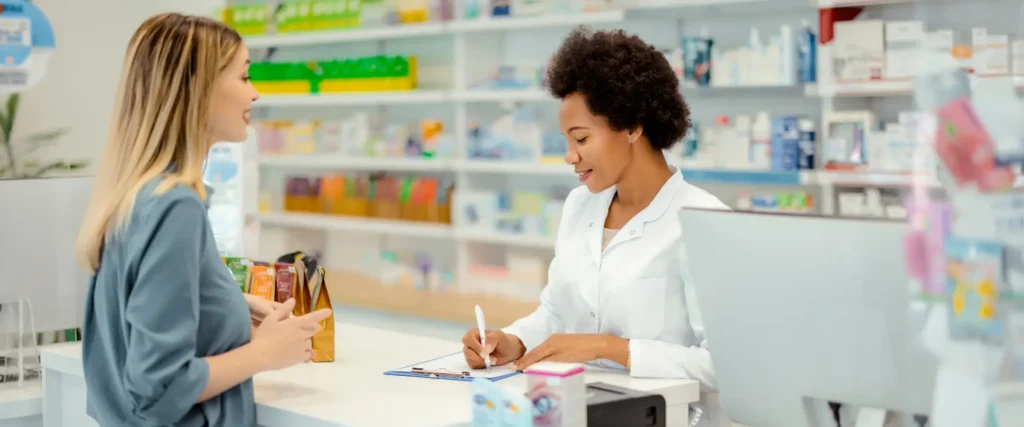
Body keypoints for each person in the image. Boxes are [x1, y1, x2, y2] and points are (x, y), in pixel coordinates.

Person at [461, 27, 731, 426]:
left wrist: (611, 348)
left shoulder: (703, 221)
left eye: (582, 138)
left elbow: (725, 364)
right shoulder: (580, 206)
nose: (570, 156)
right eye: (567, 140)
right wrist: (513, 342)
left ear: (633, 126)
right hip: (578, 411)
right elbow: (557, 312)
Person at [75, 13, 332, 427]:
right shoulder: (176, 206)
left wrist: (225, 305)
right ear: (197, 89)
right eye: (244, 78)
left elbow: (130, 326)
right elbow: (157, 387)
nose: (256, 94)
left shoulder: (131, 195)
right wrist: (263, 353)